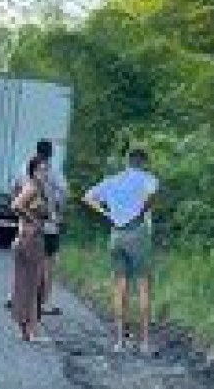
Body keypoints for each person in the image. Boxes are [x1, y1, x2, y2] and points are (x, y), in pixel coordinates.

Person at [82, 145, 160, 351]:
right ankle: (143, 343)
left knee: (120, 287)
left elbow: (88, 197)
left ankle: (119, 341)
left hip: (116, 234)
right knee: (144, 287)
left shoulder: (112, 180)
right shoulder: (148, 179)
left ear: (127, 161)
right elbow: (152, 196)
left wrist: (107, 213)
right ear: (144, 162)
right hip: (137, 232)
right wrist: (140, 212)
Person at [8, 158, 52, 342]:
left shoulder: (38, 188)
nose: (45, 173)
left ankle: (27, 329)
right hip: (30, 239)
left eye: (46, 170)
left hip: (32, 238)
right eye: (41, 170)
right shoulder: (32, 187)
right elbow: (16, 205)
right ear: (33, 171)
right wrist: (33, 220)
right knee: (32, 285)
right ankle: (31, 331)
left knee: (32, 284)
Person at [31, 137, 69, 315]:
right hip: (49, 225)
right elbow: (64, 193)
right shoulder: (54, 171)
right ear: (51, 153)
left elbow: (15, 188)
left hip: (29, 223)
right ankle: (45, 302)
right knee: (48, 264)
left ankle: (17, 296)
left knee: (27, 262)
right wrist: (59, 213)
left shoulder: (26, 167)